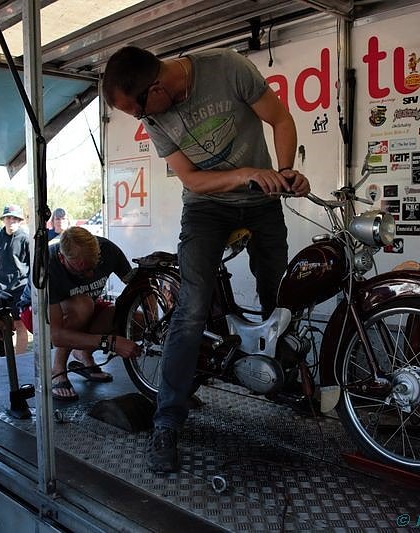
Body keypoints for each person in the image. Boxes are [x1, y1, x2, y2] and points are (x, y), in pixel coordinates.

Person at [103, 46, 311, 472]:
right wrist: (244, 173)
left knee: (283, 297)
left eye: (137, 110)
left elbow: (281, 119)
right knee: (192, 307)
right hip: (206, 208)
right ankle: (167, 423)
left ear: (156, 87)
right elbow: (193, 180)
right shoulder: (156, 118)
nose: (141, 121)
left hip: (262, 201)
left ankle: (288, 383)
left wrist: (284, 170)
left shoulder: (227, 68)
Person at [46, 227, 139, 400]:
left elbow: (137, 286)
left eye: (93, 267)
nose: (89, 275)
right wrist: (111, 343)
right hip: (39, 315)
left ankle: (83, 354)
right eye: (81, 270)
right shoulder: (49, 264)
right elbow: (56, 336)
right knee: (84, 305)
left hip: (85, 308)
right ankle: (58, 369)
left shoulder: (109, 250)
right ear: (62, 258)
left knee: (128, 316)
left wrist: (155, 319)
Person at [0, 205, 30, 354]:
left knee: (20, 325)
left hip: (20, 287)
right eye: (8, 217)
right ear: (3, 219)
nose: (11, 220)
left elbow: (31, 264)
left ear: (20, 221)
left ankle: (19, 359)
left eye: (15, 218)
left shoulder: (25, 238)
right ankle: (3, 356)